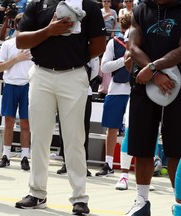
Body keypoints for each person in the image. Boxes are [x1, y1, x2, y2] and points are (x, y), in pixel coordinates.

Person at [14, 0, 106, 214]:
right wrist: (49, 31)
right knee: (39, 137)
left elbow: (99, 45)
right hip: (41, 74)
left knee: (75, 138)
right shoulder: (36, 4)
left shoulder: (89, 6)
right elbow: (20, 41)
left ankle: (79, 198)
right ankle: (37, 193)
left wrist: (73, 57)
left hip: (74, 75)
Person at [125, 0, 181, 214]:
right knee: (142, 145)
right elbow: (133, 46)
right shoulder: (140, 9)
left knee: (177, 148)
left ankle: (180, 204)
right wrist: (154, 73)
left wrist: (154, 67)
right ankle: (141, 201)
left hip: (177, 83)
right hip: (144, 82)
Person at [0, 13, 33, 171]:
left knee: (26, 123)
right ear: (16, 25)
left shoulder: (35, 44)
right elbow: (0, 67)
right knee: (8, 122)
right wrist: (17, 58)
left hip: (28, 85)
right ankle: (6, 156)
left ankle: (25, 157)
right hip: (11, 85)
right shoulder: (8, 44)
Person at [95, 13, 131, 177]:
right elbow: (105, 67)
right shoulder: (113, 42)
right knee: (112, 128)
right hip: (117, 89)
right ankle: (108, 164)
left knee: (136, 130)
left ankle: (135, 169)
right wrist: (124, 60)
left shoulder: (142, 43)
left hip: (135, 91)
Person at [56, 57, 101, 177]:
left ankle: (82, 163)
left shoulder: (91, 50)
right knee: (64, 127)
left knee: (83, 129)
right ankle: (66, 161)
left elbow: (95, 71)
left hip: (84, 91)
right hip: (65, 91)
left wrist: (82, 81)